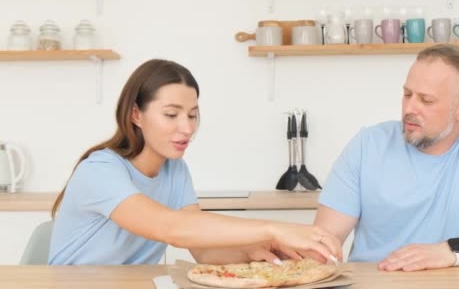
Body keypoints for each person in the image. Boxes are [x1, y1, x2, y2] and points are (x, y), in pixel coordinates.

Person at [49, 59, 341, 265]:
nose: (187, 128)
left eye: (192, 114)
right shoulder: (100, 170)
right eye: (171, 114)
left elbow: (202, 249)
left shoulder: (175, 170)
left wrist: (254, 251)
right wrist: (274, 228)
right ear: (136, 115)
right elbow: (171, 228)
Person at [314, 44, 459, 271]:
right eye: (407, 94)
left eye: (426, 100)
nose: (409, 108)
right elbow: (323, 241)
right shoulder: (367, 145)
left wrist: (450, 251)